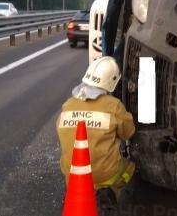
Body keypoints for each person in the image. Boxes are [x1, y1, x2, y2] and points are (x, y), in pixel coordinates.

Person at [57, 56, 135, 204]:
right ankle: (110, 194)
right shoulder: (114, 106)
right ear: (112, 81)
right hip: (103, 175)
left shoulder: (68, 105)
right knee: (129, 168)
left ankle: (73, 194)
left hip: (73, 175)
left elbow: (62, 133)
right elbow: (128, 133)